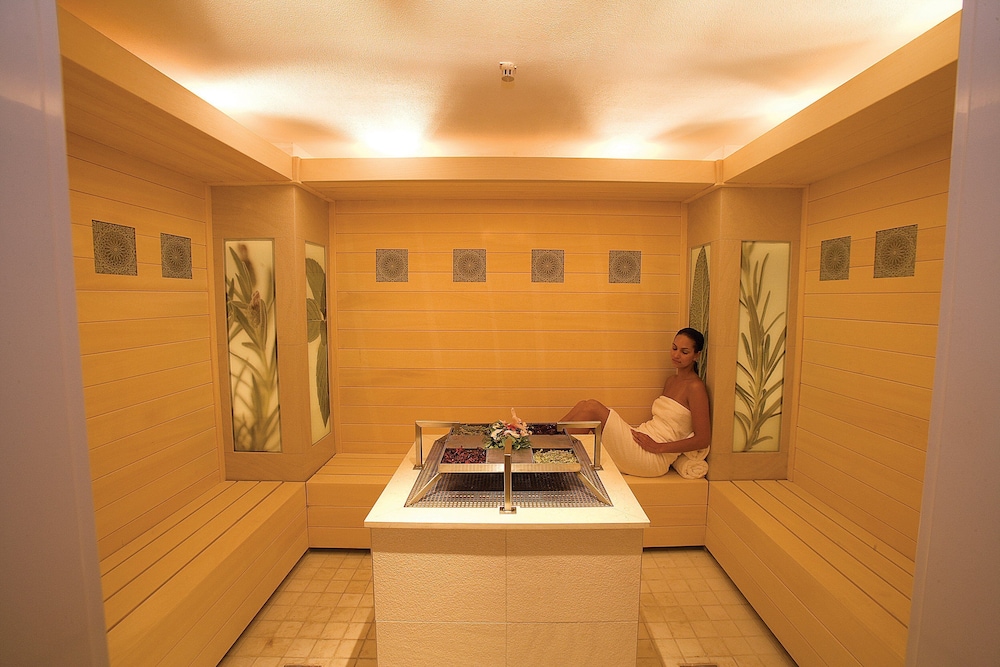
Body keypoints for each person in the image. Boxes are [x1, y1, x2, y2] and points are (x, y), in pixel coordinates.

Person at [561, 327, 711, 477]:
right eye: (674, 348)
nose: (676, 355)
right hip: (642, 437)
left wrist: (658, 447)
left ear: (696, 355)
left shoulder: (695, 387)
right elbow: (662, 422)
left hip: (654, 457)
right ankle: (549, 443)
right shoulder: (671, 381)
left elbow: (703, 440)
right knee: (583, 405)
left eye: (684, 352)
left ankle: (552, 454)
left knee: (592, 408)